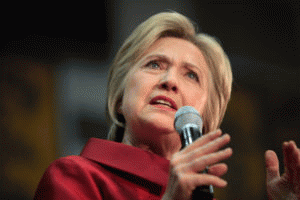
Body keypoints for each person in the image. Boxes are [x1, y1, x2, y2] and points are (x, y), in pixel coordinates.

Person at [34, 11, 300, 200]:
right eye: (154, 64)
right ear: (118, 99)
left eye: (191, 75)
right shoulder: (74, 176)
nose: (169, 80)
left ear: (205, 121)